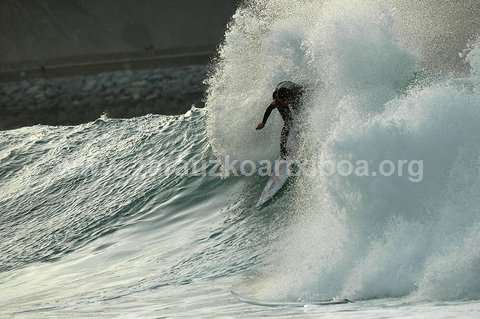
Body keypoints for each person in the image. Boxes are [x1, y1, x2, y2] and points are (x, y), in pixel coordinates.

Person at [256, 81, 304, 159]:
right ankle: (283, 150)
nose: (284, 104)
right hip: (280, 90)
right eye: (282, 102)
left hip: (291, 88)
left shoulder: (296, 93)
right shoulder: (277, 100)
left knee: (300, 116)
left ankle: (301, 140)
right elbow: (269, 109)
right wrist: (263, 123)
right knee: (288, 122)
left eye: (285, 101)